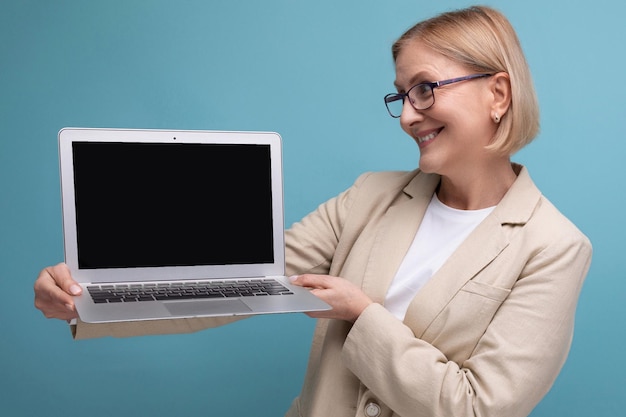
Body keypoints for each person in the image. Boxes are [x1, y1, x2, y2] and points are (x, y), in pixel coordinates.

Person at [34, 5, 592, 417]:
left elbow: (477, 408)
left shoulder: (552, 247)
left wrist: (360, 314)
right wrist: (88, 301)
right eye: (401, 95)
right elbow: (236, 285)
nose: (407, 116)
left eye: (425, 89)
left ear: (498, 93)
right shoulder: (370, 195)